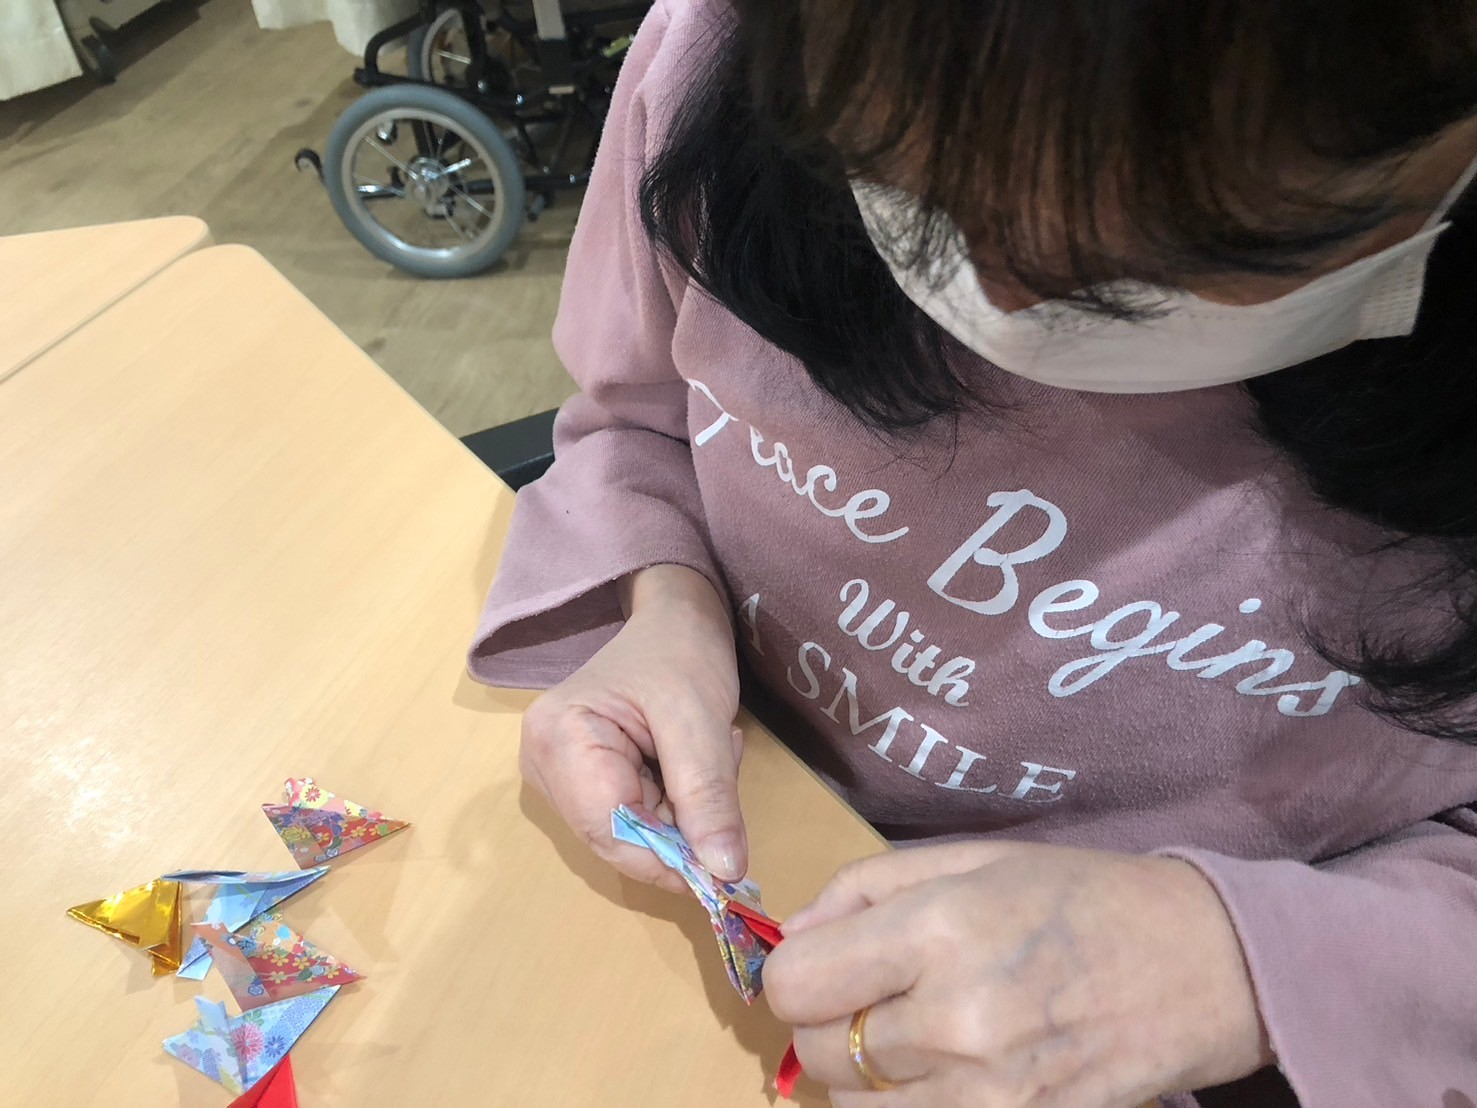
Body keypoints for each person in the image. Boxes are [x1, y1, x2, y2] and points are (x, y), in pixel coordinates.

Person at [469, 1, 1477, 1104]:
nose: (1000, 299)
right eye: (909, 189)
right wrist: (665, 602)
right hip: (756, 844)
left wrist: (1250, 960)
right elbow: (638, 412)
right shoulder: (716, 50)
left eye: (1156, 263)